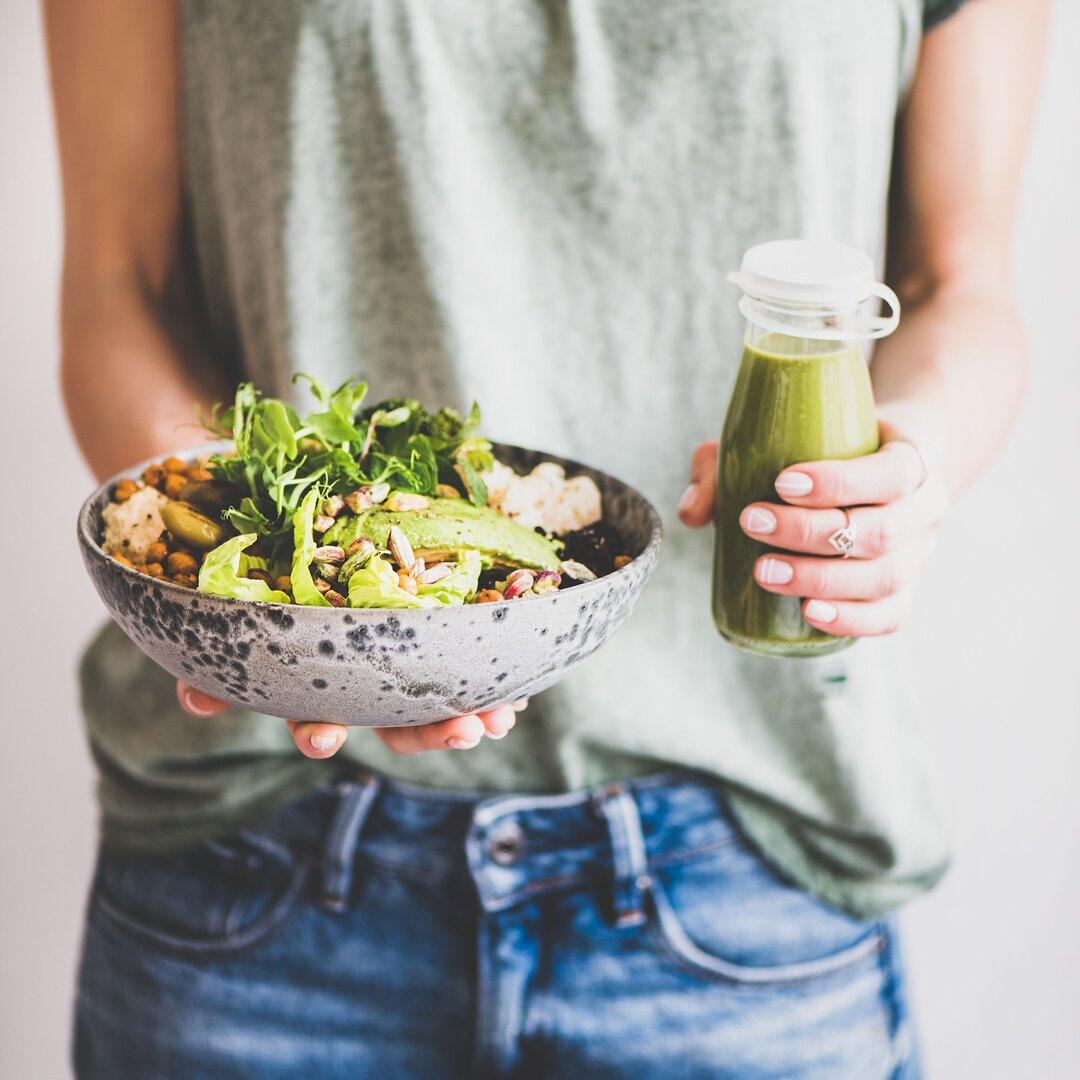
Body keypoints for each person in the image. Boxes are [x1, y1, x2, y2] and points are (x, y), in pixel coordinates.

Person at [47, 1, 1045, 1076]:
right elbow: (120, 286)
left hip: (750, 858)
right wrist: (235, 593)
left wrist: (911, 464)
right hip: (258, 867)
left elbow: (956, 282)